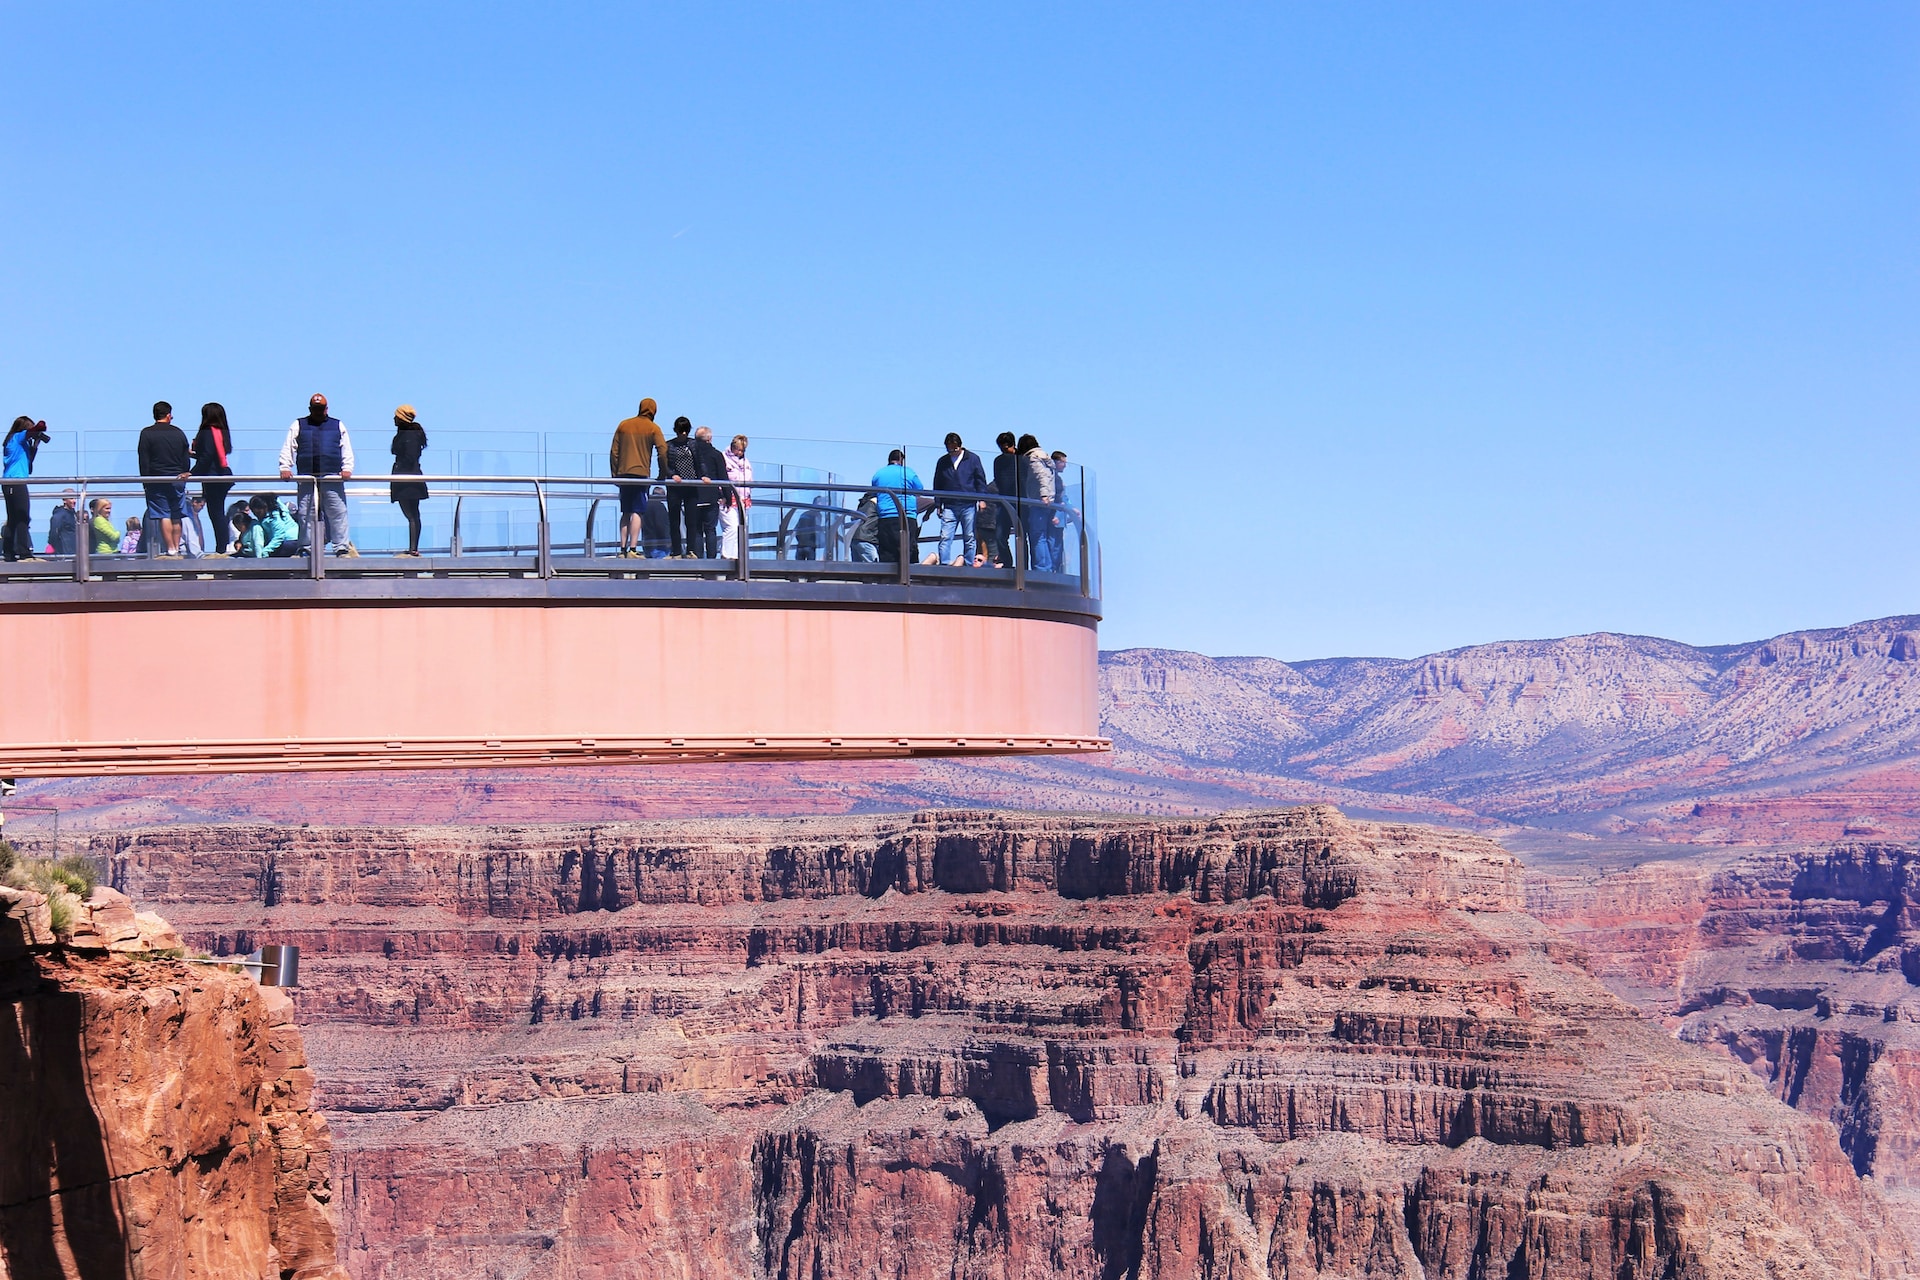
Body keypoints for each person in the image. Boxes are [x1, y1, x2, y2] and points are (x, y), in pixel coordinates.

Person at [278, 393, 356, 556]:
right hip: (307, 476)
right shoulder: (299, 424)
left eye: (321, 409)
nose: (319, 412)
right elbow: (288, 446)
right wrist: (285, 467)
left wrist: (347, 467)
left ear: (326, 409)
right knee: (306, 513)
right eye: (316, 409)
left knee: (337, 512)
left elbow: (346, 448)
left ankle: (341, 547)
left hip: (332, 475)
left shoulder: (337, 425)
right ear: (310, 409)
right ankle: (306, 548)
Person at [608, 398, 666, 558]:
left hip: (623, 474)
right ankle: (633, 549)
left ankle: (622, 549)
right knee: (638, 512)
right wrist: (662, 474)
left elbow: (614, 451)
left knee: (625, 511)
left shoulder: (624, 425)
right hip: (641, 475)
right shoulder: (653, 428)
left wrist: (615, 474)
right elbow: (663, 451)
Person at [137, 402, 192, 557]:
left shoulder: (146, 433)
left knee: (163, 514)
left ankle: (171, 548)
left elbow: (144, 459)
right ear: (168, 415)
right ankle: (177, 546)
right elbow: (185, 457)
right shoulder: (178, 432)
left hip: (156, 479)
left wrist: (145, 481)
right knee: (176, 514)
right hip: (177, 478)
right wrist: (184, 473)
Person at [931, 432, 989, 568]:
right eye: (949, 448)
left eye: (954, 448)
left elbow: (980, 480)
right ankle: (944, 564)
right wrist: (938, 503)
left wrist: (982, 499)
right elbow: (938, 483)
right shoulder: (943, 461)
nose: (951, 451)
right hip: (949, 505)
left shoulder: (973, 459)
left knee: (969, 537)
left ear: (960, 446)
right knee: (945, 536)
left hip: (968, 504)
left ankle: (969, 564)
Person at [2, 417, 49, 561]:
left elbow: (28, 465)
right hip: (15, 481)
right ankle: (23, 552)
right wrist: (39, 428)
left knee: (14, 518)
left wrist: (35, 444)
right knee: (22, 516)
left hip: (11, 482)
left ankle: (9, 552)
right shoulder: (17, 437)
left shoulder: (20, 444)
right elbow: (36, 428)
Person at [191, 403, 236, 553]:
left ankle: (221, 549)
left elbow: (207, 456)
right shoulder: (221, 431)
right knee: (218, 512)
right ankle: (221, 547)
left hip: (212, 477)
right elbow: (215, 453)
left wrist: (192, 472)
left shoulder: (207, 431)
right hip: (222, 475)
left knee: (215, 513)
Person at [870, 449, 924, 564]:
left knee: (887, 552)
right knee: (909, 552)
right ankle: (909, 580)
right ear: (901, 460)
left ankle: (888, 580)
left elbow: (874, 492)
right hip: (907, 516)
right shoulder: (908, 472)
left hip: (885, 517)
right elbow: (920, 489)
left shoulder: (878, 474)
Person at [389, 405, 429, 556]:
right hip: (409, 477)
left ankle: (413, 548)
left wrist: (401, 470)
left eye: (396, 416)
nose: (393, 419)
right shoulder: (410, 434)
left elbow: (410, 456)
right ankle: (413, 548)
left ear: (401, 418)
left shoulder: (408, 435)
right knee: (413, 514)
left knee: (411, 514)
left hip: (406, 479)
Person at [1017, 433, 1056, 573]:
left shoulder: (1033, 458)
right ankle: (1047, 567)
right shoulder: (1045, 457)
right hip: (1048, 501)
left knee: (1037, 536)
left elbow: (1042, 476)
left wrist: (1044, 494)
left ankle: (1041, 567)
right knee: (1043, 536)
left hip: (1038, 501)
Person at [690, 426, 729, 559]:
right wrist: (727, 497)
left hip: (693, 496)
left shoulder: (690, 453)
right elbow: (723, 477)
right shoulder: (716, 455)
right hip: (711, 496)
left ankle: (698, 559)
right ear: (710, 438)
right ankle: (712, 559)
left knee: (696, 531)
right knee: (710, 529)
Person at [661, 417, 698, 557]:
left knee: (691, 519)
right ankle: (676, 550)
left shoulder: (694, 444)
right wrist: (671, 475)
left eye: (685, 430)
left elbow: (700, 462)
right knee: (674, 519)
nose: (683, 434)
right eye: (680, 430)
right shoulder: (669, 445)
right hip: (675, 486)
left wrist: (703, 476)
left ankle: (691, 550)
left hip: (691, 485)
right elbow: (665, 464)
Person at [987, 431, 1019, 569]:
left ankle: (1023, 565)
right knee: (1000, 535)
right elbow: (998, 480)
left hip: (1020, 502)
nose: (1004, 451)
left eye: (1007, 447)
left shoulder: (1021, 458)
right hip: (1004, 502)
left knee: (1022, 535)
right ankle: (1007, 562)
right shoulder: (999, 461)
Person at [719, 433, 752, 560]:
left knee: (742, 529)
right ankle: (727, 555)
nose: (739, 452)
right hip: (728, 498)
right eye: (737, 449)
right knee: (731, 526)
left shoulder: (746, 462)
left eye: (742, 450)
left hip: (743, 500)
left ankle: (739, 556)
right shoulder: (723, 458)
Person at [641, 484, 671, 557]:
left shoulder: (645, 506)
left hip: (647, 543)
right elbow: (661, 525)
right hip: (659, 545)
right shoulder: (659, 506)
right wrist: (667, 540)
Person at [850, 492, 881, 562]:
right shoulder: (878, 502)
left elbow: (853, 518)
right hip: (867, 538)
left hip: (854, 537)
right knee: (874, 568)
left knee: (858, 569)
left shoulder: (862, 504)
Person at [47, 490, 77, 557]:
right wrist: (55, 546)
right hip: (65, 551)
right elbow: (53, 533)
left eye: (75, 498)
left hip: (73, 549)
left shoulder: (73, 514)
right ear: (64, 500)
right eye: (71, 498)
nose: (74, 501)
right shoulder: (60, 515)